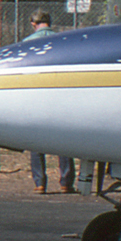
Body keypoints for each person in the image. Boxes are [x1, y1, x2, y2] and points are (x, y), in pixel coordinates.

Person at [25, 12, 75, 194]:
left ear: (33, 23)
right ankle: (66, 182)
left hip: (37, 94)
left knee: (36, 141)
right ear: (50, 22)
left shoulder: (27, 42)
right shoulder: (63, 40)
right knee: (63, 140)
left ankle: (39, 183)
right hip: (59, 94)